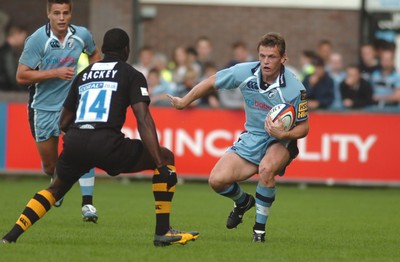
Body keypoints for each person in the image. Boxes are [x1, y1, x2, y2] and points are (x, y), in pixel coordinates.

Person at [1, 28, 199, 246]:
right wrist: (159, 163)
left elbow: (64, 122)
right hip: (107, 144)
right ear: (126, 50)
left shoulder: (84, 74)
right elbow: (143, 120)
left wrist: (77, 141)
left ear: (103, 50)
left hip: (76, 139)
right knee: (167, 157)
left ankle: (10, 236)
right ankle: (163, 232)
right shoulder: (132, 74)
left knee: (55, 189)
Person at [168, 32, 309, 243]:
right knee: (216, 181)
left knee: (266, 169)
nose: (266, 61)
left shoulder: (294, 89)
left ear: (283, 58)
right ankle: (243, 202)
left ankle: (259, 231)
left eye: (271, 57)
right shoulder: (245, 72)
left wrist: (285, 134)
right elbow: (211, 82)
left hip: (280, 140)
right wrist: (184, 102)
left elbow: (304, 127)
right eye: (262, 56)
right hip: (252, 135)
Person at [15, 0, 101, 221]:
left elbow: (94, 54)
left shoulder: (82, 35)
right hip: (42, 108)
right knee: (50, 165)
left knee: (85, 149)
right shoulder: (37, 40)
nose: (61, 18)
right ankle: (58, 185)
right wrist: (55, 72)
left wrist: (88, 76)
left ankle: (87, 204)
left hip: (72, 106)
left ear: (71, 14)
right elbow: (22, 76)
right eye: (56, 13)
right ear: (48, 14)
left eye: (65, 13)